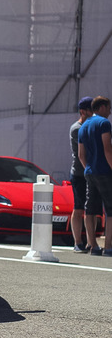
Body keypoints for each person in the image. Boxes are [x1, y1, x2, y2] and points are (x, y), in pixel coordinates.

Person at [78, 96, 112, 256]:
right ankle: (108, 246)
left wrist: (89, 169)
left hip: (90, 172)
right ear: (102, 107)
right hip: (105, 171)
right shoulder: (104, 123)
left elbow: (81, 155)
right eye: (109, 107)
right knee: (110, 210)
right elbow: (107, 149)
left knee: (90, 209)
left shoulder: (83, 126)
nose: (110, 111)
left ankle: (93, 246)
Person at [69, 96, 93, 252]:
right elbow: (84, 152)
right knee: (79, 208)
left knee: (91, 209)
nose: (94, 114)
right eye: (91, 110)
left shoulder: (91, 126)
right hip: (79, 173)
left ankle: (91, 242)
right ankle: (77, 242)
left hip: (91, 172)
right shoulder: (77, 128)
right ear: (83, 111)